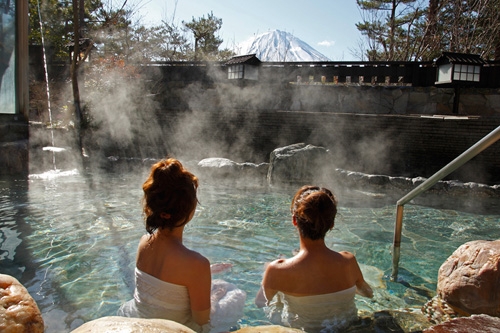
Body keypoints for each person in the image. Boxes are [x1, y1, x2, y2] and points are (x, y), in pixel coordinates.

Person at [118, 158, 245, 333]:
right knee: (234, 292)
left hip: (141, 318)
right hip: (173, 328)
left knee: (217, 281)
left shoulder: (143, 242)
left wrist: (204, 273)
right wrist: (214, 297)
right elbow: (201, 320)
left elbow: (162, 282)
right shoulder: (196, 264)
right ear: (190, 208)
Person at [255, 185, 373, 332]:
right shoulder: (348, 261)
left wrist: (267, 273)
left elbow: (260, 303)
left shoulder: (277, 269)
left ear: (294, 220)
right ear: (331, 224)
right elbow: (368, 294)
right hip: (347, 328)